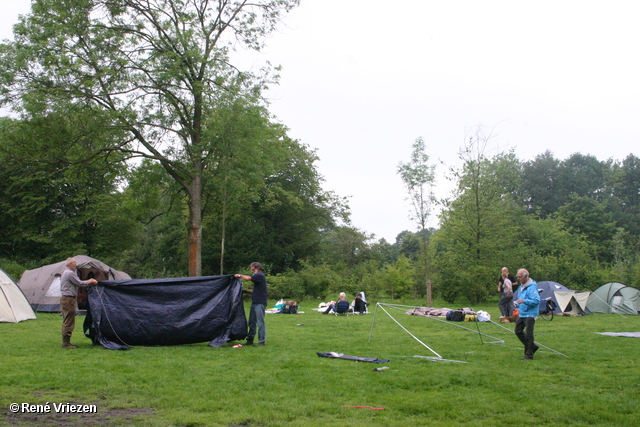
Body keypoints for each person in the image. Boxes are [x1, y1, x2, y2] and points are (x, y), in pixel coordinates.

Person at [60, 257, 98, 349]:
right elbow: (80, 283)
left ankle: (66, 342)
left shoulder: (66, 272)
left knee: (67, 320)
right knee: (69, 321)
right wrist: (91, 281)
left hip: (65, 298)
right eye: (74, 263)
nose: (76, 265)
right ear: (69, 264)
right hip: (69, 299)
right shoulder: (70, 273)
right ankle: (66, 343)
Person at [234, 262, 268, 346]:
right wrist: (247, 292)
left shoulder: (260, 275)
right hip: (255, 302)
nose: (252, 271)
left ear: (258, 268)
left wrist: (239, 275)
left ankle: (261, 341)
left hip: (260, 303)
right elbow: (259, 291)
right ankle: (250, 340)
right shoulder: (258, 277)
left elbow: (248, 278)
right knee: (252, 322)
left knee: (260, 322)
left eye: (253, 269)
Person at [514, 269, 540, 360]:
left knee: (529, 334)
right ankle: (532, 346)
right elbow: (520, 298)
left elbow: (536, 301)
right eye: (518, 277)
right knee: (518, 331)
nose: (518, 279)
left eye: (520, 277)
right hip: (522, 313)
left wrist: (525, 301)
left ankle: (529, 354)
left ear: (525, 276)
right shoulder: (521, 286)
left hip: (530, 313)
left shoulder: (532, 287)